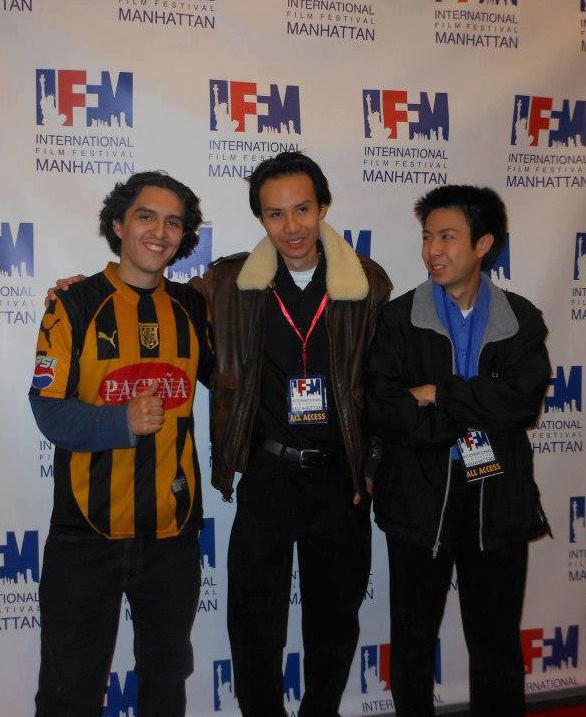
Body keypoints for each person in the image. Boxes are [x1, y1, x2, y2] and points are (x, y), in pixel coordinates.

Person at [190, 151, 392, 717]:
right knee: (254, 623)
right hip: (268, 473)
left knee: (334, 619)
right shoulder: (227, 283)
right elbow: (164, 306)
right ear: (260, 219)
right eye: (275, 214)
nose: (292, 227)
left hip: (340, 480)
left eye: (302, 209)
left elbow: (381, 386)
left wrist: (370, 465)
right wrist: (82, 288)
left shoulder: (368, 284)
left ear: (323, 206)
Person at [29, 171, 213, 717]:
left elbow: (241, 382)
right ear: (118, 223)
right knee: (68, 694)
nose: (160, 231)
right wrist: (122, 423)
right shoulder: (73, 303)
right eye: (146, 216)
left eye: (174, 222)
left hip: (172, 535)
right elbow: (48, 409)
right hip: (86, 535)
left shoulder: (194, 309)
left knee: (164, 687)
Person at [366, 184, 551, 717]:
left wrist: (439, 394)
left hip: (497, 501)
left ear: (483, 244)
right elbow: (386, 408)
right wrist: (458, 417)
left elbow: (520, 405)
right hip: (419, 499)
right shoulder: (399, 319)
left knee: (495, 643)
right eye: (427, 237)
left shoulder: (520, 319)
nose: (432, 251)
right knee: (414, 642)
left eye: (447, 237)